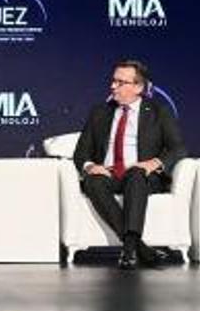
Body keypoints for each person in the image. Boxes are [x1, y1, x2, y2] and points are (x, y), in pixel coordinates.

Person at [73, 60, 186, 270]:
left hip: (142, 176)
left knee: (135, 174)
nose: (113, 86)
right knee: (93, 181)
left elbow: (178, 148)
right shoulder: (100, 112)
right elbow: (81, 152)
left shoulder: (158, 111)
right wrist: (90, 166)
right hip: (109, 174)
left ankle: (130, 249)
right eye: (113, 81)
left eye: (120, 82)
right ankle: (138, 249)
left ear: (138, 87)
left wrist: (155, 163)